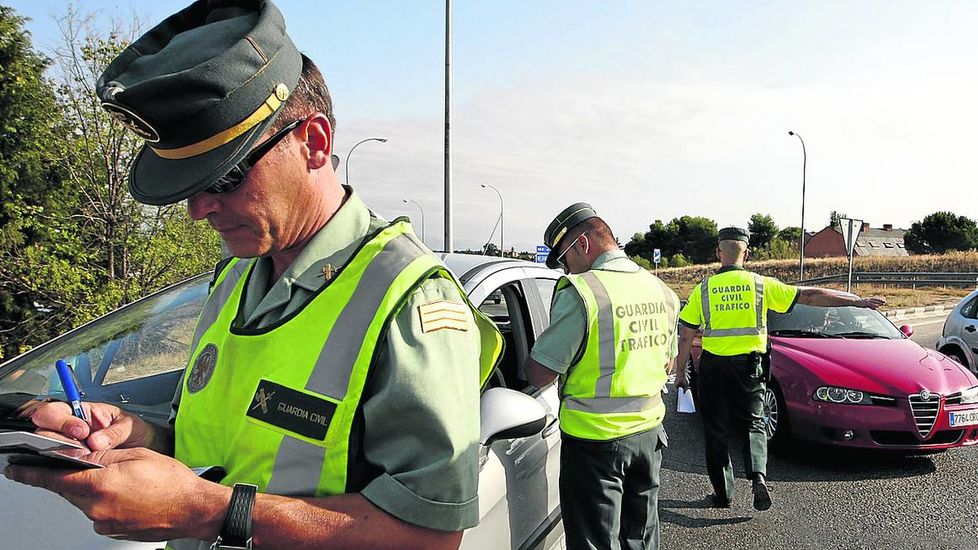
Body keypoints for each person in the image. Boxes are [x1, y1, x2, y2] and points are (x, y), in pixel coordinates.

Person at [4, 2, 502, 549]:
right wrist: (137, 434)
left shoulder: (408, 300)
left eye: (225, 176)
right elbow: (222, 448)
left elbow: (429, 538)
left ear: (314, 143)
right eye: (189, 185)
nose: (199, 210)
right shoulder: (236, 278)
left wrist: (208, 512)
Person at [673, 226, 884, 512]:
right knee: (754, 422)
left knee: (716, 430)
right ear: (746, 253)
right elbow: (810, 296)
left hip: (714, 368)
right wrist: (857, 302)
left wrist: (681, 372)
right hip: (750, 367)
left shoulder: (704, 289)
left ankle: (723, 494)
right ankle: (758, 476)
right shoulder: (761, 284)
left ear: (718, 252)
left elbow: (686, 334)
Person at [525, 203, 680, 550]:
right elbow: (667, 364)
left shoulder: (583, 291)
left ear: (582, 244)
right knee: (641, 538)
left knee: (595, 541)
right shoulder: (662, 291)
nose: (566, 268)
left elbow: (540, 374)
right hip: (649, 435)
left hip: (596, 442)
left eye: (565, 259)